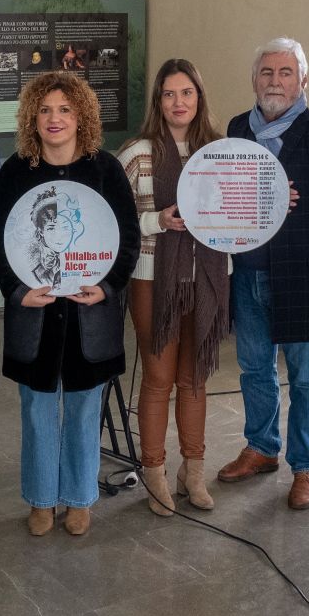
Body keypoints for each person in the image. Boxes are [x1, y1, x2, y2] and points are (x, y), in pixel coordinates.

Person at [218, 37, 309, 510]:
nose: (275, 82)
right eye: (266, 72)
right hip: (248, 273)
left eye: (285, 73)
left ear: (303, 80)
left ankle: (306, 465)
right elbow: (224, 194)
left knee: (305, 378)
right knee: (254, 369)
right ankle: (262, 448)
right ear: (254, 80)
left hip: (304, 277)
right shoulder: (237, 129)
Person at [0, 72, 139, 537]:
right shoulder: (15, 171)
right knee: (37, 410)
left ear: (81, 116)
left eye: (65, 109)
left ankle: (78, 498)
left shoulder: (106, 169)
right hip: (35, 313)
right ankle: (40, 500)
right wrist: (17, 290)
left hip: (89, 313)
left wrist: (108, 286)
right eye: (45, 110)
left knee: (83, 409)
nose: (55, 119)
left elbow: (128, 239)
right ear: (32, 117)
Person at [117, 59, 229, 516]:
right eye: (169, 94)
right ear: (158, 101)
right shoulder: (137, 153)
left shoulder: (220, 150)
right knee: (159, 380)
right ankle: (155, 473)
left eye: (186, 92)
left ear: (199, 97)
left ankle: (193, 473)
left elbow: (236, 212)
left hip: (207, 275)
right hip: (152, 278)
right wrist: (156, 220)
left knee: (195, 378)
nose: (178, 102)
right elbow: (115, 219)